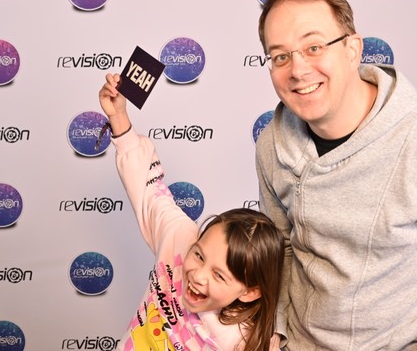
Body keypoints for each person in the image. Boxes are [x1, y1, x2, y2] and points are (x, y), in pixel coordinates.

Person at [255, 0, 417, 350]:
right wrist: (275, 331)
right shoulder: (271, 144)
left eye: (314, 47)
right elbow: (280, 251)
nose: (297, 70)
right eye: (280, 56)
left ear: (353, 50)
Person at [98, 73, 285, 351]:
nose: (197, 275)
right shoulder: (180, 241)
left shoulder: (243, 342)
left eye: (219, 275)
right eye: (199, 255)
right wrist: (119, 118)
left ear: (249, 292)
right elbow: (148, 190)